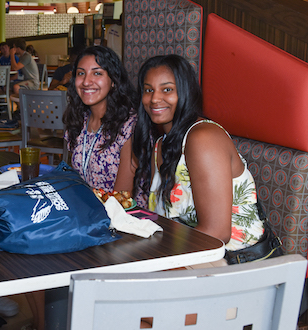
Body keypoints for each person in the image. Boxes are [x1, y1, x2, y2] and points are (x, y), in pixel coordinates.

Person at [132, 54, 264, 253]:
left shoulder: (203, 138)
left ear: (185, 92)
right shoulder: (160, 146)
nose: (154, 99)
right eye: (148, 90)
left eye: (167, 89)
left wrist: (155, 256)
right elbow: (162, 220)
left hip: (236, 264)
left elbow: (217, 233)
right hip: (193, 256)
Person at [63, 46, 144, 205]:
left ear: (113, 80)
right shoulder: (79, 119)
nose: (86, 81)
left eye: (97, 73)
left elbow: (122, 197)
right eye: (81, 73)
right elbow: (71, 177)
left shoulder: (130, 125)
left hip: (124, 219)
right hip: (86, 208)